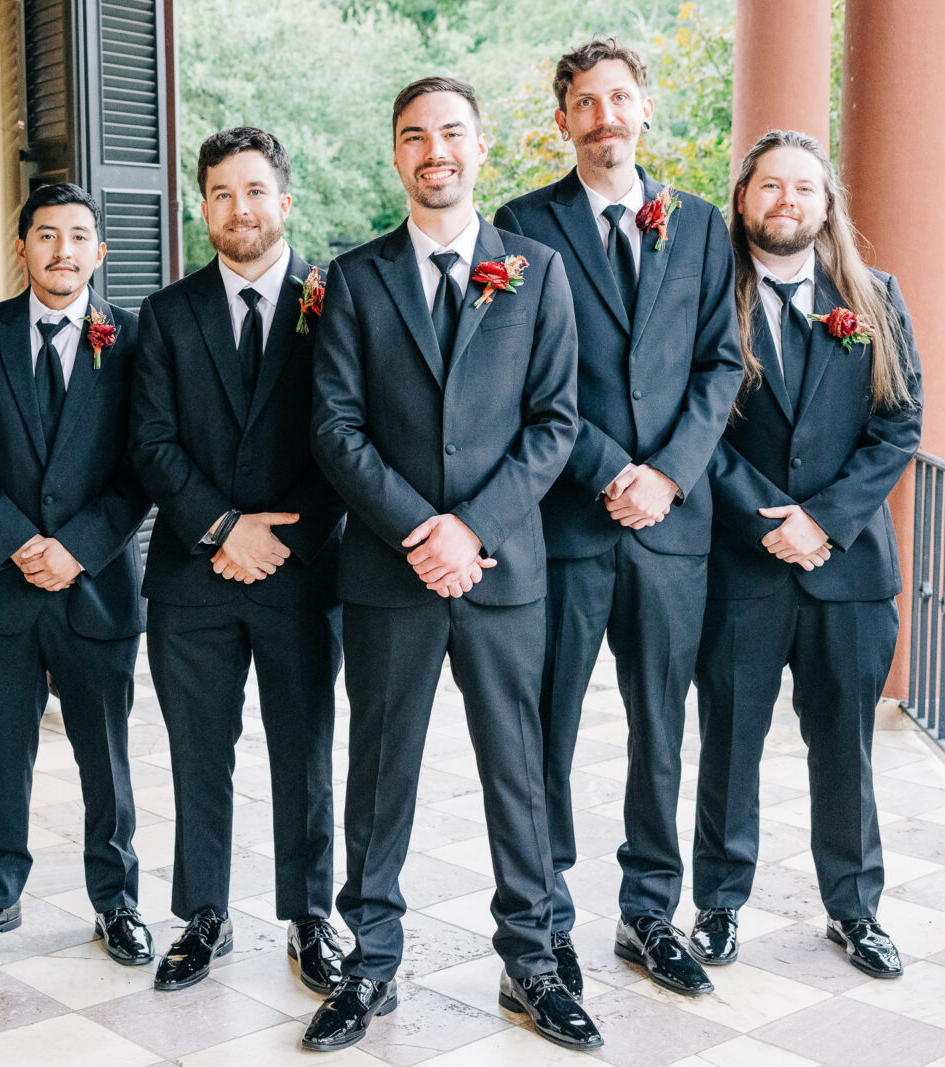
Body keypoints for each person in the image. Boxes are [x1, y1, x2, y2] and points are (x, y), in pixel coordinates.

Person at [302, 77, 601, 1053]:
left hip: (503, 569)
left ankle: (533, 961)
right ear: (396, 155)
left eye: (451, 133)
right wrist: (415, 530)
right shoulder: (351, 279)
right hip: (389, 576)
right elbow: (334, 425)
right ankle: (371, 963)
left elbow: (555, 422)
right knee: (379, 774)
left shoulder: (538, 273)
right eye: (413, 135)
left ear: (482, 150)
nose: (434, 149)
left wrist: (470, 529)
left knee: (520, 772)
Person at [494, 37, 742, 998]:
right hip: (566, 521)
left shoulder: (702, 227)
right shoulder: (522, 225)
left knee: (660, 726)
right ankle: (545, 917)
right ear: (563, 121)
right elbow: (523, 376)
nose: (604, 116)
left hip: (673, 527)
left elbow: (722, 363)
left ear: (645, 110)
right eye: (585, 103)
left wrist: (669, 475)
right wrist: (611, 471)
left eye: (619, 98)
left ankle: (650, 913)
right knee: (544, 728)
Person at [691, 129, 923, 979]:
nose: (787, 201)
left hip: (849, 572)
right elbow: (698, 430)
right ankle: (717, 904)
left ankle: (855, 910)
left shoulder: (874, 295)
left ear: (827, 207)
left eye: (805, 189)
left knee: (845, 748)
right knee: (728, 744)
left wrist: (822, 521)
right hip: (740, 570)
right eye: (770, 187)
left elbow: (898, 423)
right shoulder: (709, 297)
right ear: (744, 200)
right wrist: (766, 520)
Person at [130, 127, 345, 994]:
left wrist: (278, 538)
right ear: (203, 206)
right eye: (221, 194)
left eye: (254, 191)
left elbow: (352, 436)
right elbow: (150, 442)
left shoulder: (339, 299)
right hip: (192, 577)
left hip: (301, 576)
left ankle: (310, 915)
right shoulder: (167, 313)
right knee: (197, 751)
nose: (239, 208)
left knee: (305, 750)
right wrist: (224, 528)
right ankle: (204, 917)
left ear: (283, 201)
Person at [0, 183, 156, 966]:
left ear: (100, 252)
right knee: (3, 750)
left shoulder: (133, 339)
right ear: (20, 248)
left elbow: (145, 463)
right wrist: (22, 540)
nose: (63, 249)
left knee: (107, 756)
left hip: (97, 586)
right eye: (47, 235)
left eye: (79, 236)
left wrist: (77, 547)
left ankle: (116, 900)